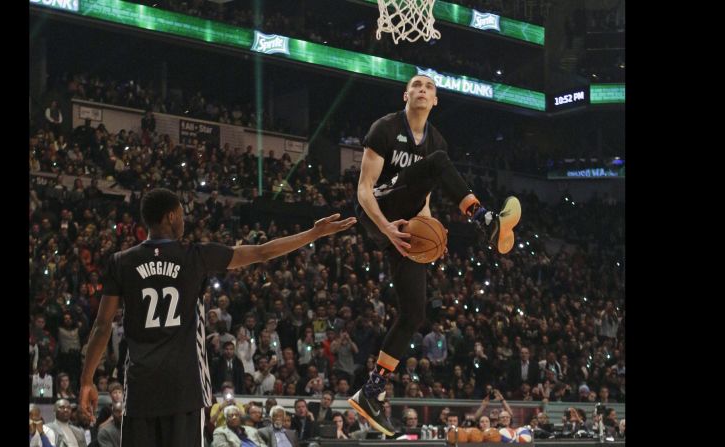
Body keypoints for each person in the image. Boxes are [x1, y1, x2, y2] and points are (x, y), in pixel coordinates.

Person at [79, 187, 356, 447]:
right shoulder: (195, 255)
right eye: (182, 215)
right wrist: (313, 233)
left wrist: (87, 381)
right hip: (184, 387)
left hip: (141, 388)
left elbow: (102, 326)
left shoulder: (121, 261)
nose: (184, 221)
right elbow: (262, 252)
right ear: (172, 216)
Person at [349, 74, 521, 435]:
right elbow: (363, 190)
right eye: (416, 85)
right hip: (378, 210)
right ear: (406, 94)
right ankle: (485, 219)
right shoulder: (385, 128)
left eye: (429, 87)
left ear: (436, 100)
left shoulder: (435, 140)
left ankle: (372, 390)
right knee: (439, 161)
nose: (422, 90)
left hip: (407, 222)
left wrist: (429, 239)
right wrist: (384, 228)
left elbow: (423, 200)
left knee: (414, 312)